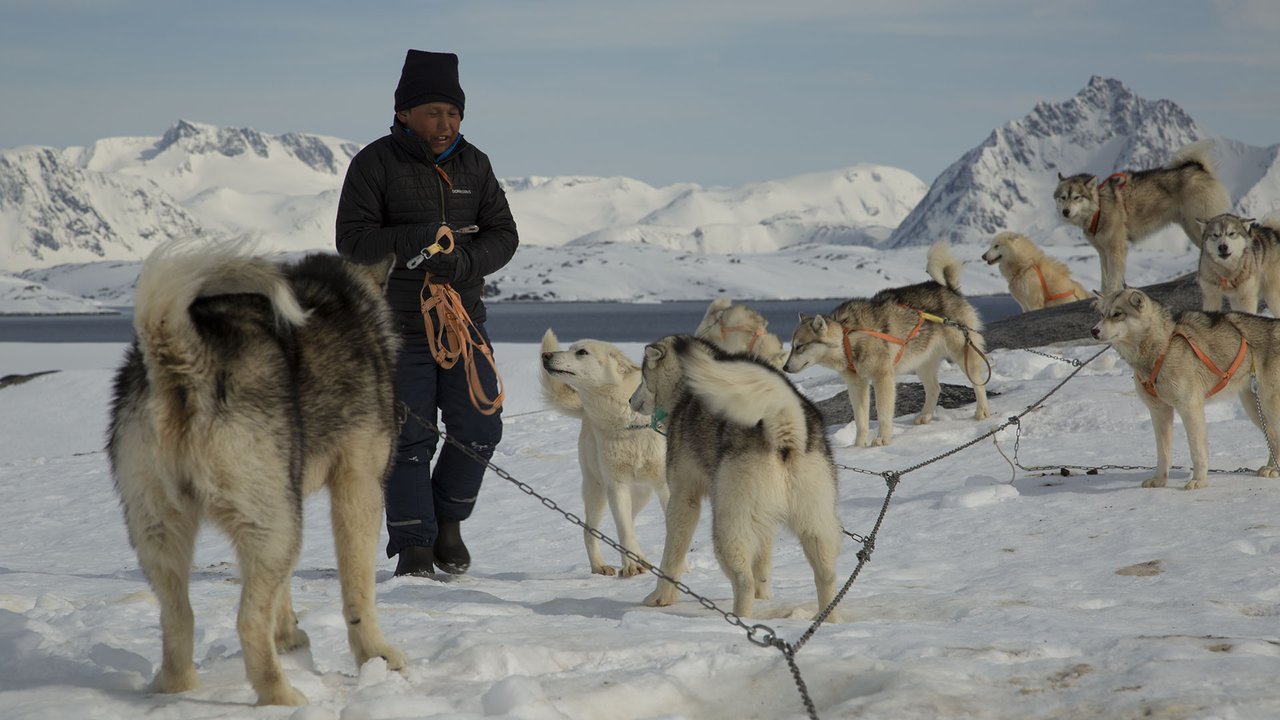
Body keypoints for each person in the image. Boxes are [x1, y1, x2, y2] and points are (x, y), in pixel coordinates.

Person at [336, 49, 518, 577]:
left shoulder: (475, 164)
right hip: (395, 327)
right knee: (408, 435)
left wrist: (462, 263)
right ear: (403, 113)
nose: (445, 124)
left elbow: (504, 235)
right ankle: (413, 543)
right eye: (434, 112)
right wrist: (417, 238)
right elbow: (352, 243)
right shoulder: (373, 164)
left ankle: (447, 524)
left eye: (454, 114)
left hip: (462, 321)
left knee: (481, 424)